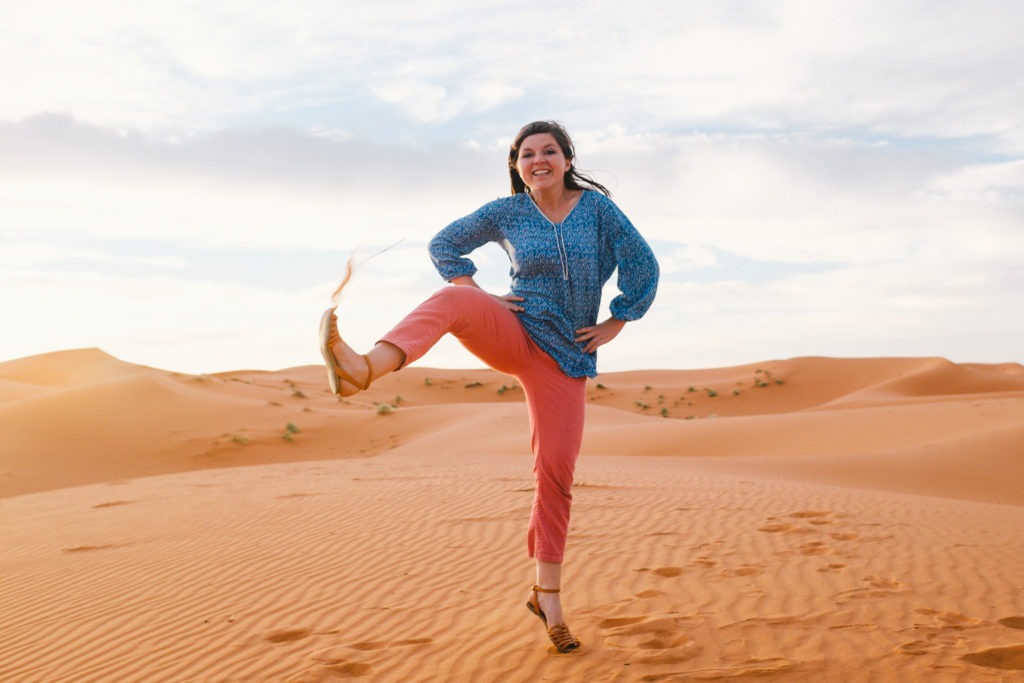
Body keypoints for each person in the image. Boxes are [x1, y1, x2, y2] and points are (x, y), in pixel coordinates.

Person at [319, 120, 659, 653]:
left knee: (556, 475)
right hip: (514, 330)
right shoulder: (507, 212)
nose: (538, 160)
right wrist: (478, 290)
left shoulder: (598, 211)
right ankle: (365, 367)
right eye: (527, 154)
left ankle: (547, 597)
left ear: (567, 160)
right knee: (455, 303)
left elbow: (644, 266)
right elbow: (445, 244)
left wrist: (617, 320)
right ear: (516, 165)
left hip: (566, 356)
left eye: (549, 151)